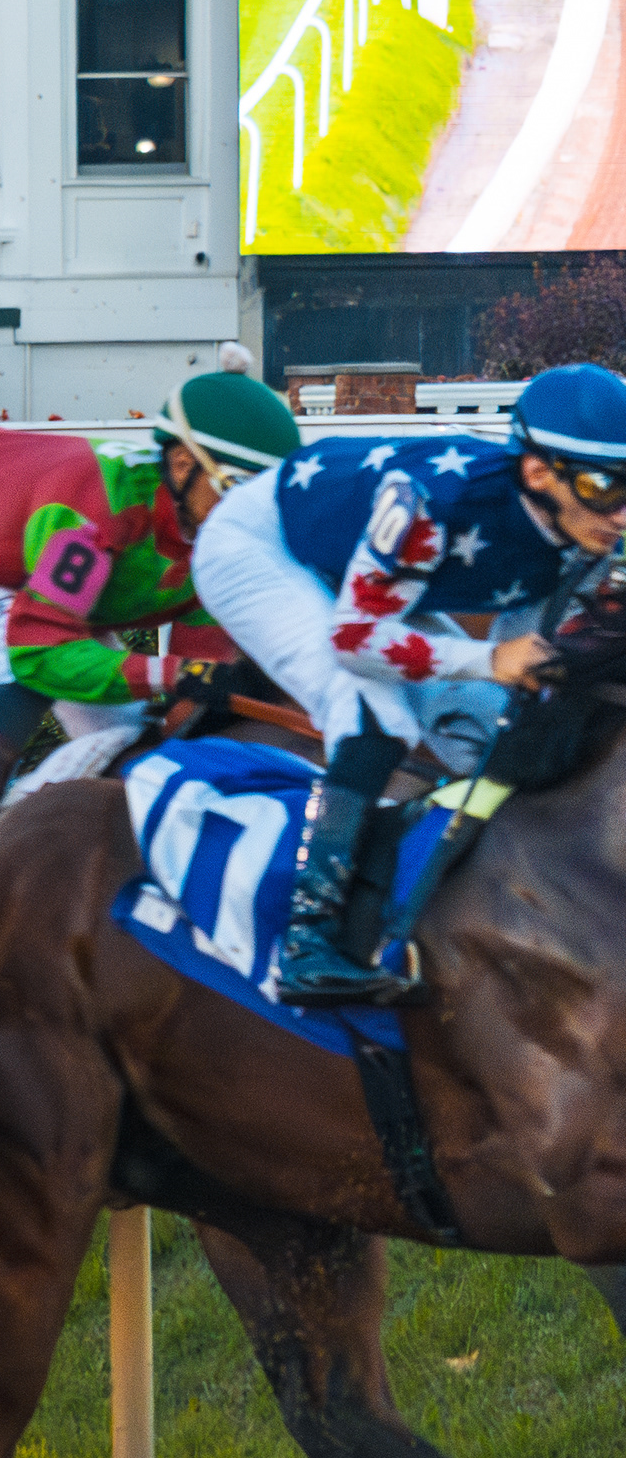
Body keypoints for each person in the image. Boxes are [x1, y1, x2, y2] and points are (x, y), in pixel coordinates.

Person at [189, 362, 626, 1003]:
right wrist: (488, 661)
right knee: (372, 715)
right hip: (262, 548)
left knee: (482, 731)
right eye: (603, 486)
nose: (621, 515)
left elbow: (542, 657)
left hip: (374, 570)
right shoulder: (432, 506)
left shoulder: (582, 523)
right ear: (538, 473)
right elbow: (357, 642)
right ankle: (308, 940)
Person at [0, 365, 302, 915]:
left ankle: (35, 830)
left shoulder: (217, 541)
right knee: (17, 666)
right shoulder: (96, 507)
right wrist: (173, 677)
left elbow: (198, 677)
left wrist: (195, 687)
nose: (250, 516)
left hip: (52, 559)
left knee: (124, 732)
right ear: (182, 464)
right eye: (237, 490)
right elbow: (42, 653)